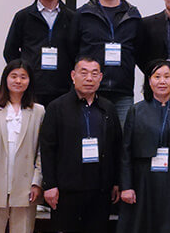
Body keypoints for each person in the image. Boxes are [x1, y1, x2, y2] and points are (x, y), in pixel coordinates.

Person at [39, 57, 123, 233]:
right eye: (83, 73)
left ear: (100, 77)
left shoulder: (108, 108)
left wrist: (116, 182)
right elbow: (47, 149)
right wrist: (49, 185)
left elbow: (116, 148)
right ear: (73, 75)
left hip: (100, 191)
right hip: (66, 191)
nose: (89, 78)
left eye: (94, 74)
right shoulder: (57, 107)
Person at [117, 60, 170, 233]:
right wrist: (126, 186)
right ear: (149, 81)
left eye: (167, 76)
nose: (162, 81)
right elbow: (126, 152)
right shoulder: (136, 111)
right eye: (157, 76)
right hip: (143, 179)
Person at [0, 60, 46, 233]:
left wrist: (37, 182)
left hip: (25, 187)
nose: (18, 81)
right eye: (13, 76)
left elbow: (42, 152)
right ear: (5, 79)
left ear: (30, 81)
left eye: (23, 77)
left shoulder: (38, 111)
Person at [70, 0, 141, 123]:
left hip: (122, 92)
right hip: (89, 89)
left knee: (122, 136)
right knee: (90, 133)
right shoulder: (82, 14)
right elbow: (72, 49)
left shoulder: (133, 16)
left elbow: (139, 50)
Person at [3, 0, 75, 105]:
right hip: (32, 89)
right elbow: (10, 51)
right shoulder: (23, 17)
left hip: (63, 89)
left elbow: (76, 52)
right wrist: (22, 76)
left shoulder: (71, 17)